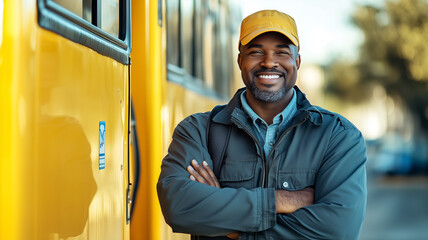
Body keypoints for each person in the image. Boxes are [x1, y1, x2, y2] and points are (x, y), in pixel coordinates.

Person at [157, 10, 367, 240]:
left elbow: (338, 230)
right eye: (256, 52)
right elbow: (179, 207)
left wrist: (230, 222)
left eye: (282, 52)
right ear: (240, 61)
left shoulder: (337, 136)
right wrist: (281, 200)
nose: (268, 62)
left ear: (297, 62)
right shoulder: (197, 130)